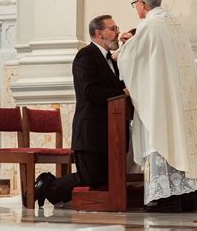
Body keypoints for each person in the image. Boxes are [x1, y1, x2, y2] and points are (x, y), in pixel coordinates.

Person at [117, 0, 197, 212]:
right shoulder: (174, 22)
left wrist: (121, 48)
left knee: (162, 138)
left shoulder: (149, 25)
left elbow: (132, 59)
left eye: (135, 4)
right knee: (179, 139)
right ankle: (188, 195)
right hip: (181, 97)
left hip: (161, 99)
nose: (135, 8)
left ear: (142, 3)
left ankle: (165, 197)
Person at [34, 15, 127, 207]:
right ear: (99, 33)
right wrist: (121, 92)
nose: (117, 32)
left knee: (103, 178)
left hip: (109, 131)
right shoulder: (85, 55)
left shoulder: (112, 60)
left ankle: (61, 195)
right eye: (113, 28)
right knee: (90, 177)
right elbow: (88, 91)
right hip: (90, 132)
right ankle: (46, 185)